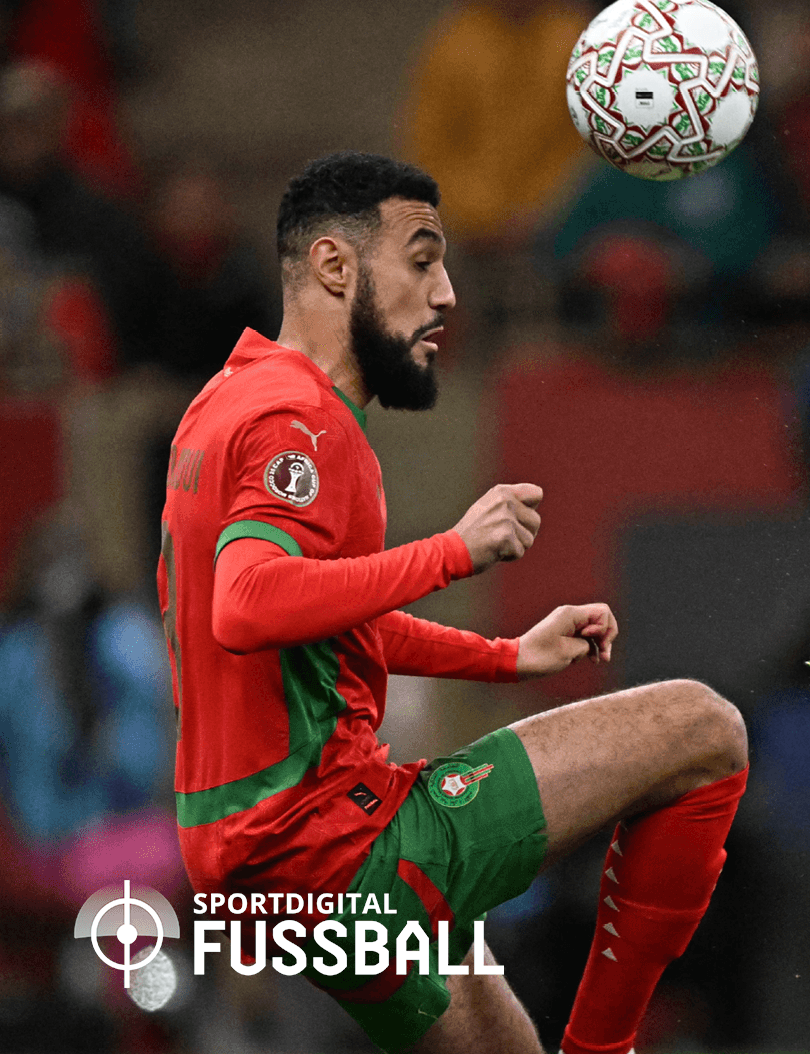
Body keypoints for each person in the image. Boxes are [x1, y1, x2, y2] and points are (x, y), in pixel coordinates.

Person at [158, 151, 748, 1054]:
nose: (446, 295)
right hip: (329, 845)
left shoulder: (227, 397)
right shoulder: (300, 421)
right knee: (702, 729)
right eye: (423, 261)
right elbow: (247, 606)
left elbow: (322, 620)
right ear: (334, 266)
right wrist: (453, 553)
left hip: (247, 859)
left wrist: (505, 657)